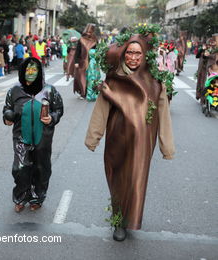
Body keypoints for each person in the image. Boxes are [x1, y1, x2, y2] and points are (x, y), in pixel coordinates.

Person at [85, 34, 175, 242]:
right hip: (117, 139)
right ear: (123, 54)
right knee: (117, 179)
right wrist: (93, 138)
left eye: (138, 53)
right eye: (129, 53)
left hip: (143, 142)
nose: (133, 58)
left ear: (145, 56)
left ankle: (126, 221)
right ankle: (117, 217)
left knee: (135, 181)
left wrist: (166, 146)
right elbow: (101, 110)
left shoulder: (155, 82)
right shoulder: (113, 79)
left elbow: (163, 114)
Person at [3, 57, 63, 212]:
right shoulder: (14, 90)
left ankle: (37, 197)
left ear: (39, 72)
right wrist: (7, 116)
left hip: (43, 137)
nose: (30, 73)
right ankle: (21, 196)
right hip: (21, 137)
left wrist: (52, 118)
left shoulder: (49, 90)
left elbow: (58, 109)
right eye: (27, 69)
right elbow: (7, 108)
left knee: (41, 168)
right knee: (20, 167)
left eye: (34, 69)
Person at [74, 24, 97, 99]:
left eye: (90, 32)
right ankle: (83, 93)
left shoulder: (95, 40)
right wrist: (76, 62)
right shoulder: (81, 40)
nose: (88, 34)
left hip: (92, 63)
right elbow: (77, 51)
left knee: (91, 78)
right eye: (88, 32)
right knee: (81, 78)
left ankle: (89, 92)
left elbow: (98, 51)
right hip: (82, 62)